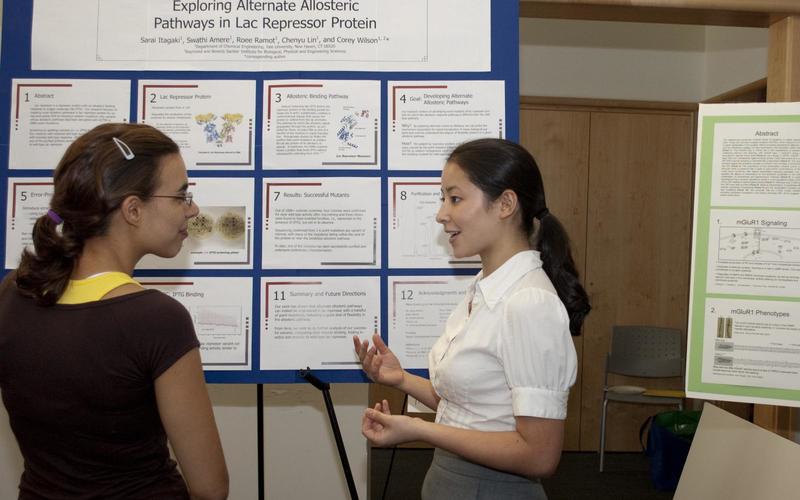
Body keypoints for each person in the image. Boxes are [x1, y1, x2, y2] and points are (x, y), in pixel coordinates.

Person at [0, 123, 229, 499]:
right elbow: (210, 488)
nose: (193, 209)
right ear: (133, 209)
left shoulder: (14, 293)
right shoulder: (156, 320)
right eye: (181, 195)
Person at [354, 138, 590, 499]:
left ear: (505, 204)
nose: (441, 213)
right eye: (443, 198)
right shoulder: (485, 289)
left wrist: (419, 430)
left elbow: (539, 455)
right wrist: (400, 379)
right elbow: (472, 411)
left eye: (455, 198)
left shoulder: (528, 303)